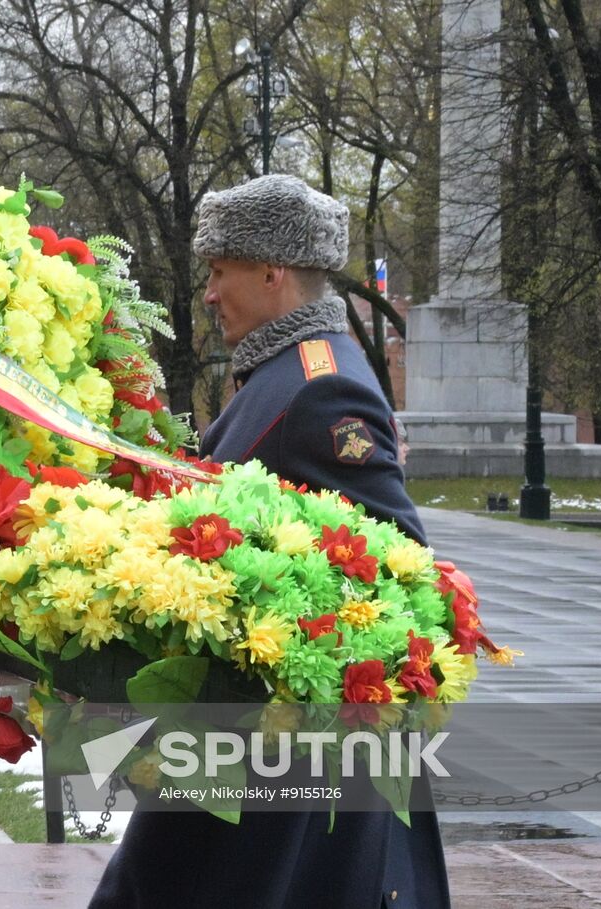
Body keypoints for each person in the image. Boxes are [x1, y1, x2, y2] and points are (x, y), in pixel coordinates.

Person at [89, 175, 449, 908]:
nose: (211, 293)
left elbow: (403, 574)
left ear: (270, 272)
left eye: (220, 272)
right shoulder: (283, 369)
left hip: (283, 768)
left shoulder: (323, 388)